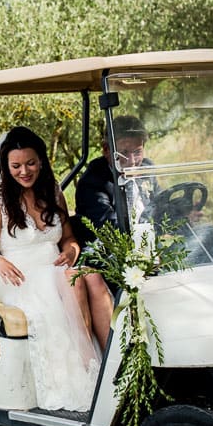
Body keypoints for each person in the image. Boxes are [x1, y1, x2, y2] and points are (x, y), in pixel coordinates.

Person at [0, 126, 101, 412]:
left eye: (30, 163)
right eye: (16, 165)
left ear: (41, 161)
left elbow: (69, 240)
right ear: (6, 166)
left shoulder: (53, 194)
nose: (24, 171)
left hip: (55, 270)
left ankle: (104, 364)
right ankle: (87, 371)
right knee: (74, 283)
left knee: (90, 277)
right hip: (20, 278)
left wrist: (71, 251)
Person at [72, 115, 158, 347]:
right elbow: (108, 227)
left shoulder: (147, 169)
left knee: (207, 234)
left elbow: (161, 206)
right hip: (111, 253)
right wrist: (152, 235)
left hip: (148, 244)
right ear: (107, 150)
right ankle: (133, 347)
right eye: (124, 153)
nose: (131, 160)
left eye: (137, 152)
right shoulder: (94, 182)